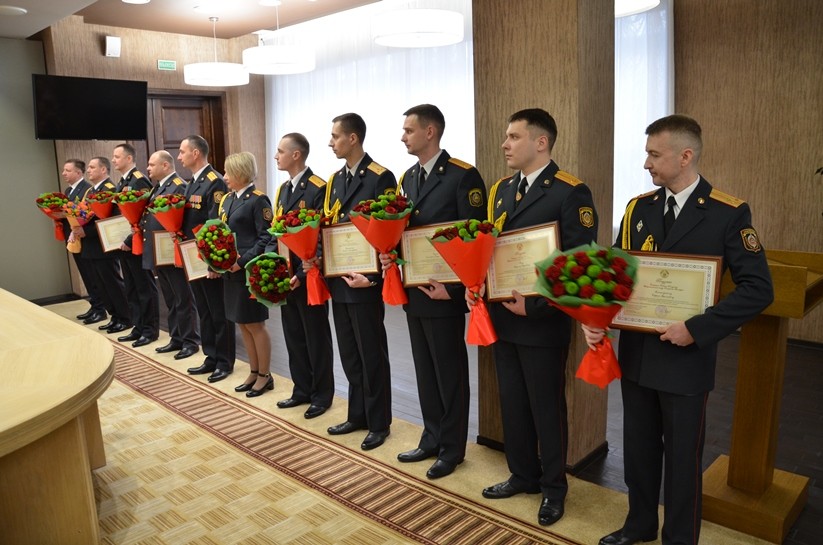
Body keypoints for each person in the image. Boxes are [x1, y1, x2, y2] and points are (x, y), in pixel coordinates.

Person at [584, 115, 773, 545]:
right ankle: (640, 525)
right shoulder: (638, 208)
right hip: (638, 356)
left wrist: (698, 328)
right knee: (639, 452)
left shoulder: (727, 213)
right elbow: (616, 273)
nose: (646, 163)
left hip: (686, 360)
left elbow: (759, 289)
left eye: (654, 154)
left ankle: (680, 538)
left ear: (685, 156)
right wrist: (597, 320)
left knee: (683, 462)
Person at [469, 108, 598, 527]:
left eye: (513, 137)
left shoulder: (569, 192)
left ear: (541, 142)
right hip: (504, 316)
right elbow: (489, 249)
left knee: (546, 409)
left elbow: (580, 265)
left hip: (542, 322)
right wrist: (477, 284)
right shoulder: (500, 190)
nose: (504, 144)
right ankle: (522, 475)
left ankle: (553, 488)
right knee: (512, 403)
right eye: (506, 137)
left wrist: (537, 305)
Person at [381, 104, 486, 479]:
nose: (403, 137)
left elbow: (474, 238)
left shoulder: (462, 176)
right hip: (416, 288)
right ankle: (431, 437)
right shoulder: (408, 178)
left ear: (430, 132)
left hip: (445, 293)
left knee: (449, 373)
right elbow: (402, 230)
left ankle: (452, 448)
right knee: (425, 371)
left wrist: (455, 291)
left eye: (408, 130)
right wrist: (389, 252)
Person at [317, 112, 395, 451]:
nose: (330, 142)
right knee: (349, 352)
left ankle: (379, 423)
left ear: (353, 138)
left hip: (365, 281)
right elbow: (330, 226)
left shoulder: (380, 177)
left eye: (335, 136)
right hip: (339, 278)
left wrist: (374, 278)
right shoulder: (335, 180)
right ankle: (357, 414)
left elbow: (389, 231)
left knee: (371, 353)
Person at [269, 133, 335, 418]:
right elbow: (279, 233)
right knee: (294, 334)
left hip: (310, 275)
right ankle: (302, 389)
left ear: (296, 155)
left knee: (315, 337)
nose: (276, 156)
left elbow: (321, 235)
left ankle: (322, 394)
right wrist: (278, 269)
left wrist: (301, 273)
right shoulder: (283, 190)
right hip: (288, 276)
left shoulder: (319, 187)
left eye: (280, 151)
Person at [177, 135, 235, 379]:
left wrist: (213, 262)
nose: (179, 156)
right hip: (193, 256)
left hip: (207, 258)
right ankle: (211, 356)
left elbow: (215, 225)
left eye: (182, 152)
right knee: (204, 309)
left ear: (196, 153)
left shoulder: (214, 181)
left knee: (218, 311)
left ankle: (224, 361)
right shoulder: (192, 182)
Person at [218, 152, 274, 397]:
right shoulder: (228, 199)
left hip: (248, 270)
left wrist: (241, 262)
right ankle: (253, 371)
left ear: (241, 172)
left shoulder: (258, 200)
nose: (225, 176)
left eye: (228, 172)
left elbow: (266, 237)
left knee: (255, 324)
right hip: (230, 272)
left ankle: (265, 375)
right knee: (242, 323)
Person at [141, 150, 200, 354]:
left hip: (173, 251)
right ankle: (176, 337)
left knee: (183, 298)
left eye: (152, 164)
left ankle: (190, 341)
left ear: (165, 165)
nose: (148, 168)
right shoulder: (158, 187)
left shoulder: (179, 186)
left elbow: (184, 220)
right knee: (171, 298)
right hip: (161, 251)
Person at [73, 156, 132, 334]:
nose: (88, 170)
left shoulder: (110, 189)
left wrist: (87, 231)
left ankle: (125, 318)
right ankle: (114, 316)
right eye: (89, 167)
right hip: (91, 246)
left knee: (112, 283)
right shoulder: (91, 191)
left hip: (104, 245)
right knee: (101, 284)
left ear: (103, 170)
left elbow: (114, 221)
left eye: (92, 167)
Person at [114, 143, 159, 347]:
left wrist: (128, 239)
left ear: (129, 158)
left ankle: (150, 329)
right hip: (125, 243)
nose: (114, 160)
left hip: (136, 242)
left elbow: (144, 214)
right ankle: (138, 326)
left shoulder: (139, 180)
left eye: (117, 156)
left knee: (144, 287)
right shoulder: (123, 181)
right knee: (131, 287)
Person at [60, 159, 106, 324]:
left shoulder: (87, 189)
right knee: (85, 275)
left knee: (92, 276)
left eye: (68, 170)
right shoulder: (68, 190)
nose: (64, 173)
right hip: (74, 237)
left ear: (78, 173)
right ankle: (94, 305)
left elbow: (86, 214)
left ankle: (100, 308)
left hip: (85, 238)